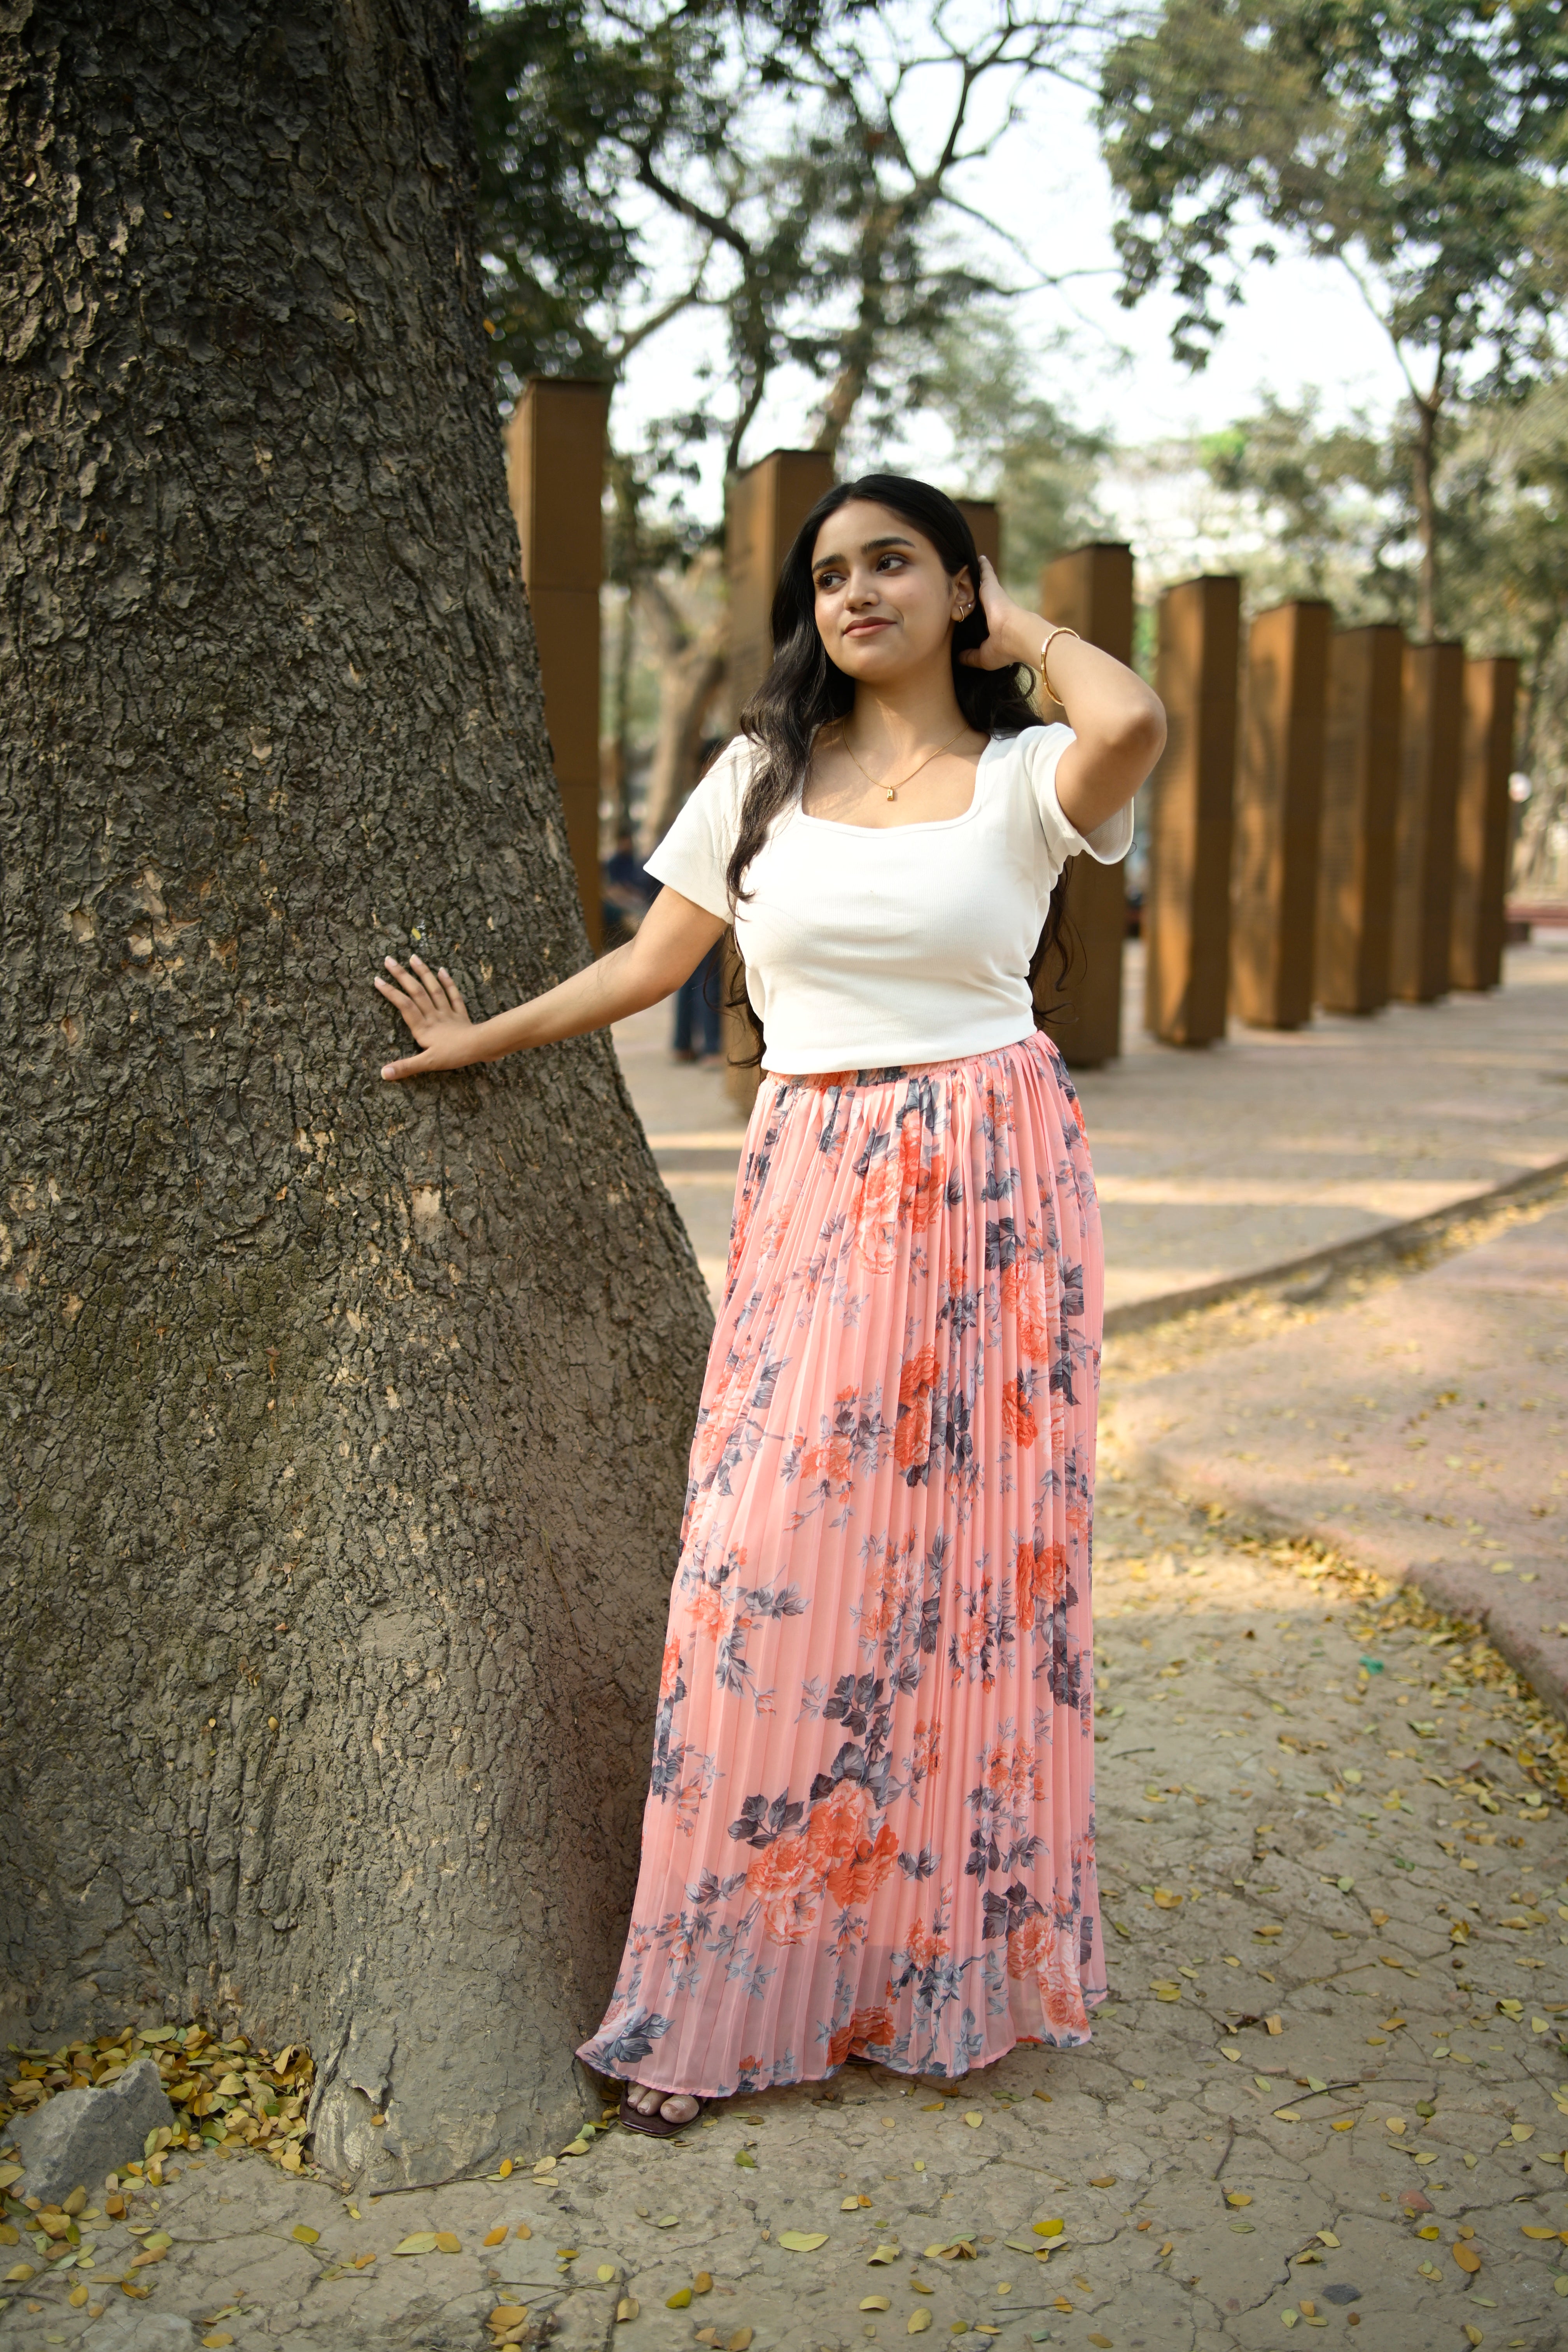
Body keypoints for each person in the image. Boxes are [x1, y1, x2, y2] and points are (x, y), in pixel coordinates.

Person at [373, 474, 1164, 2135]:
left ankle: (937, 1968)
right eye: (830, 576)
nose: (857, 594)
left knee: (974, 1590)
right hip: (817, 1183)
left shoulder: (1029, 777)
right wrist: (484, 1039)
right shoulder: (760, 779)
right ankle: (733, 1985)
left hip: (999, 1199)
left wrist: (1021, 626)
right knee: (765, 1578)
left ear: (958, 586)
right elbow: (652, 966)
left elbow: (1135, 710)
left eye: (894, 565)